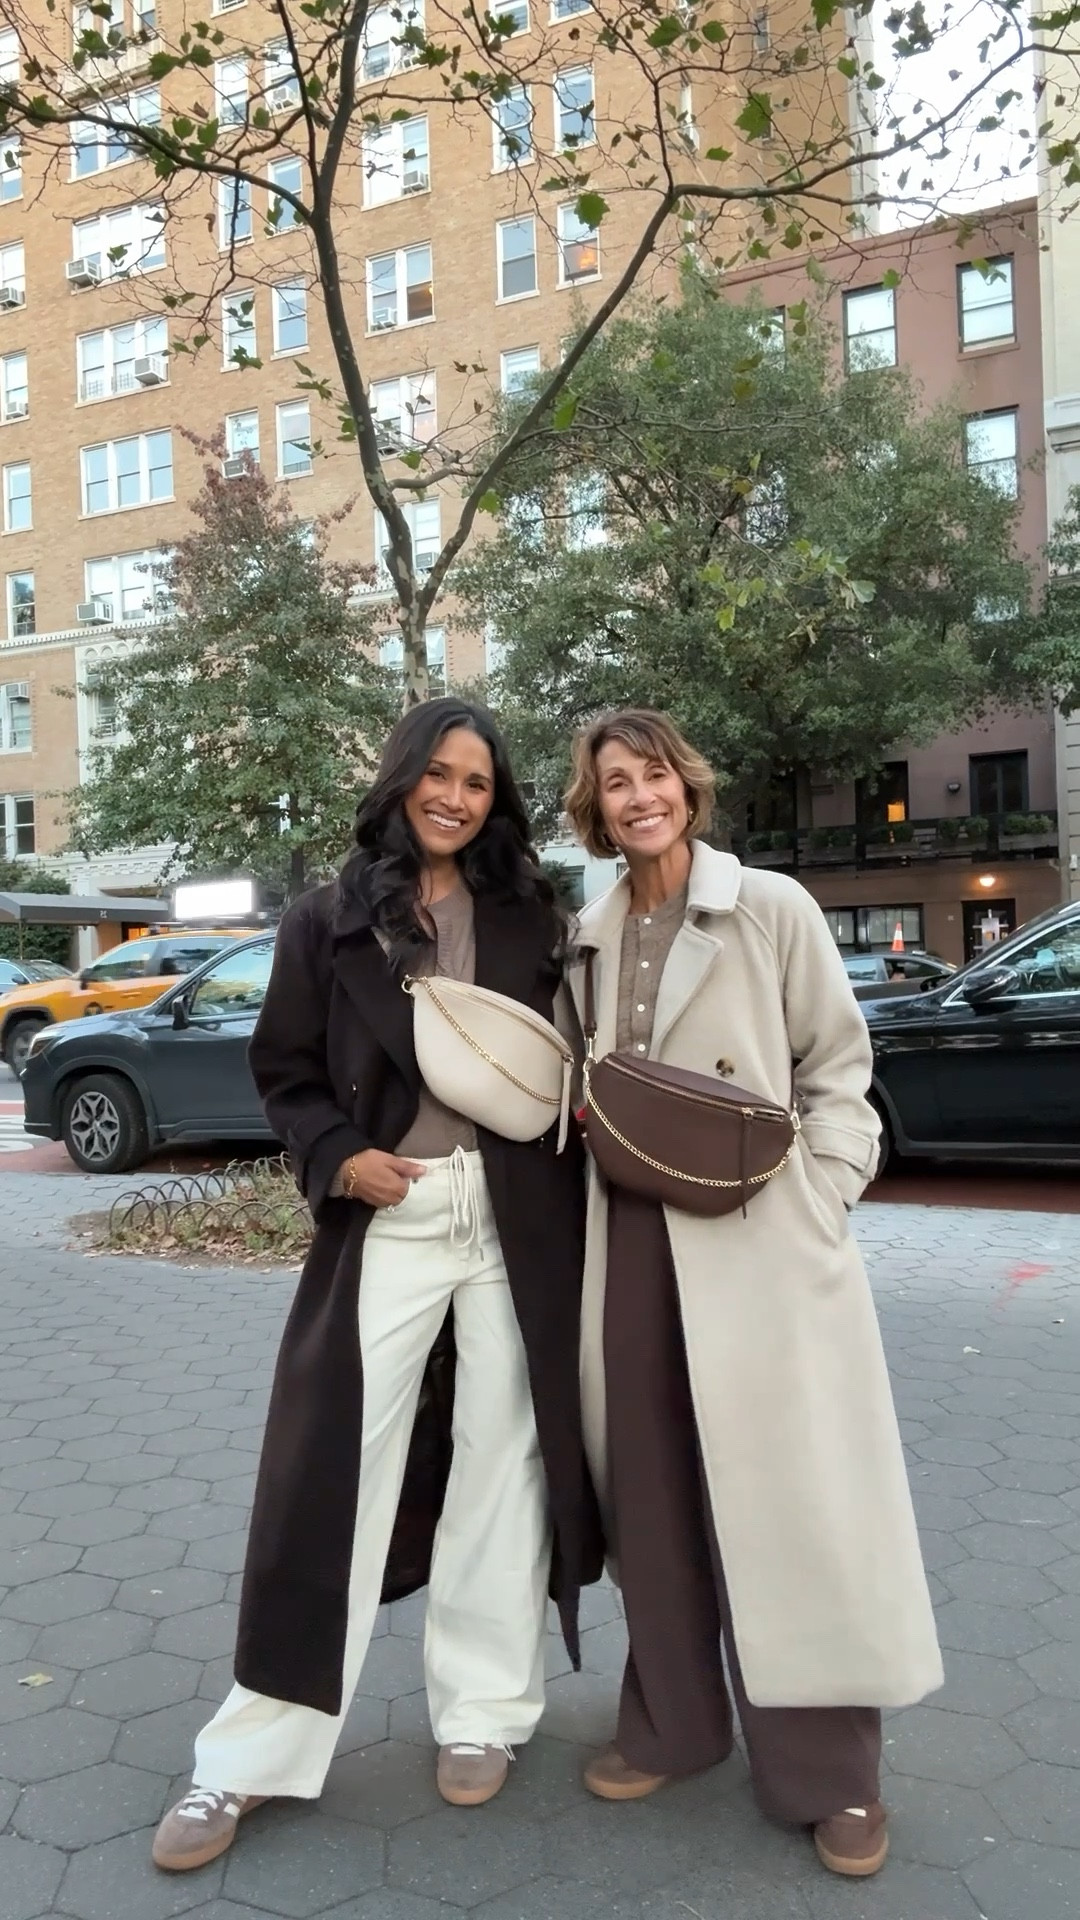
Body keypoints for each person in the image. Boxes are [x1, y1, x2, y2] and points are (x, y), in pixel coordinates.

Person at [152, 697, 600, 1873]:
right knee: (326, 1473)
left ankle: (486, 1712)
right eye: (438, 775)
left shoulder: (530, 915)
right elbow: (284, 1070)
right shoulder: (327, 920)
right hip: (389, 1215)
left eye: (480, 782)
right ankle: (247, 1758)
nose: (457, 797)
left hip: (516, 1221)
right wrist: (337, 1158)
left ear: (496, 800)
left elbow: (579, 1060)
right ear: (401, 779)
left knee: (506, 1462)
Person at [562, 708, 942, 1879]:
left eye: (654, 775)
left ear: (689, 784)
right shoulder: (586, 930)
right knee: (653, 1490)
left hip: (759, 1242)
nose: (639, 798)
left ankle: (831, 1773)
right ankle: (675, 1723)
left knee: (790, 1502)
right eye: (615, 783)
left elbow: (840, 1070)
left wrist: (819, 1200)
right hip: (627, 1242)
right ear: (595, 808)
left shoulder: (768, 905)